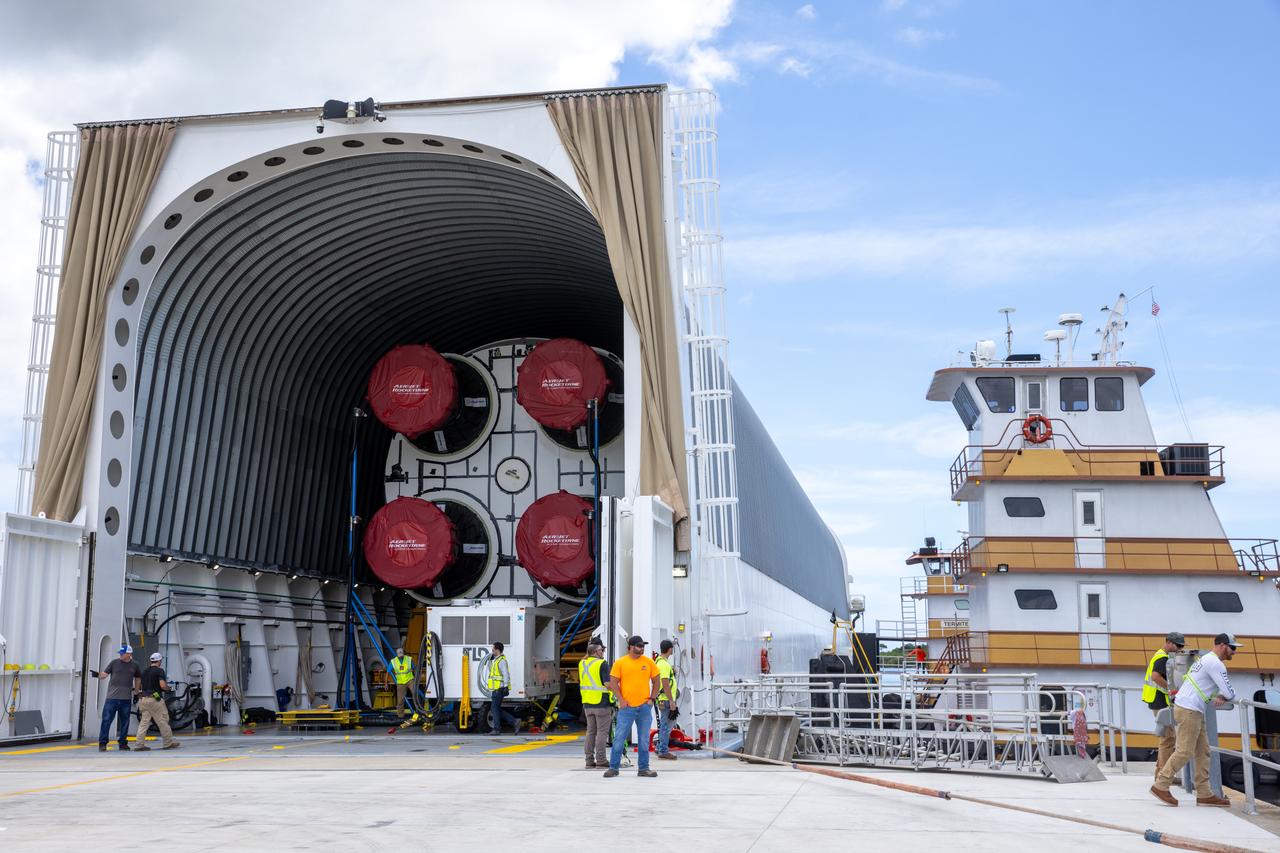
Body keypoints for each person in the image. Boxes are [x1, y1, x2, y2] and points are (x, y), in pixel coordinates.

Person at [1151, 633, 1241, 807]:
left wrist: (1222, 694)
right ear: (1222, 646)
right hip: (1190, 709)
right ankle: (1161, 785)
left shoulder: (1205, 659)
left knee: (1203, 750)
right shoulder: (1216, 664)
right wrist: (1224, 695)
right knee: (1184, 751)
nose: (1235, 652)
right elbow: (1229, 693)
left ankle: (1204, 793)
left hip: (1190, 707)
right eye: (1233, 648)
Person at [604, 635, 660, 778]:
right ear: (630, 647)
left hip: (644, 707)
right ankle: (613, 768)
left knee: (643, 739)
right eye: (639, 646)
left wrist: (652, 699)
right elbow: (613, 682)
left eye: (643, 646)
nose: (642, 648)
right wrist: (621, 699)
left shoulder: (648, 662)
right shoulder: (620, 663)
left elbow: (657, 681)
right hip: (626, 708)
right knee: (619, 738)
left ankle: (643, 769)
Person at [1142, 631, 1184, 776]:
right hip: (1160, 701)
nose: (1179, 649)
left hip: (1156, 700)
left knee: (1167, 737)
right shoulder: (1163, 657)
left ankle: (1161, 772)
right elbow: (1155, 677)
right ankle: (1162, 775)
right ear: (1168, 642)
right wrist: (1171, 689)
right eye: (1178, 645)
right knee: (1168, 739)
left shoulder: (1159, 655)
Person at [90, 644, 141, 752]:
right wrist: (97, 674)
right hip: (111, 698)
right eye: (120, 653)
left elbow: (138, 678)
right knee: (106, 720)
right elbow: (104, 674)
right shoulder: (114, 663)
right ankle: (103, 743)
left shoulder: (135, 665)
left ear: (129, 654)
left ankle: (123, 743)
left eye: (123, 653)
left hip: (126, 699)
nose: (121, 655)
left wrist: (136, 692)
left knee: (125, 722)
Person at [134, 653, 180, 751]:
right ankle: (168, 743)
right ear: (159, 661)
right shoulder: (159, 671)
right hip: (154, 699)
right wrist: (168, 689)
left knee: (144, 723)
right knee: (163, 720)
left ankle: (139, 745)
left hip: (143, 699)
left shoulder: (144, 671)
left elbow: (140, 685)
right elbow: (162, 685)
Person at [578, 640, 612, 769]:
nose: (603, 652)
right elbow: (607, 684)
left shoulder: (582, 663)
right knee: (602, 732)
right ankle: (601, 760)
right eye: (601, 650)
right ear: (595, 652)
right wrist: (618, 693)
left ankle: (589, 760)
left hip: (587, 702)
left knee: (590, 732)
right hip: (601, 702)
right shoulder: (602, 664)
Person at [485, 642, 522, 735]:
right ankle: (514, 721)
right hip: (495, 689)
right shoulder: (496, 660)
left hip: (499, 689)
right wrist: (490, 661)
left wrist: (505, 686)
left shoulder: (501, 661)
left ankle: (497, 729)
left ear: (497, 650)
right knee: (496, 709)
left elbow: (506, 674)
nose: (492, 651)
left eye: (493, 650)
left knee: (494, 708)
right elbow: (492, 673)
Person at [654, 639, 679, 761]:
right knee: (666, 726)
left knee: (667, 724)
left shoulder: (661, 662)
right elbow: (665, 683)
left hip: (664, 699)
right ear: (669, 649)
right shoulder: (663, 664)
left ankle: (659, 747)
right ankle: (663, 750)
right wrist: (672, 701)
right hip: (666, 700)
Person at [390, 647, 415, 716]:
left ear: (403, 654)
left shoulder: (408, 659)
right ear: (397, 655)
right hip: (400, 682)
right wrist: (386, 683)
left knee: (415, 694)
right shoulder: (393, 661)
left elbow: (414, 667)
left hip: (409, 680)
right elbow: (388, 671)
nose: (401, 657)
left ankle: (419, 712)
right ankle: (400, 716)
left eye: (402, 655)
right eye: (400, 656)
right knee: (400, 700)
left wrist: (413, 672)